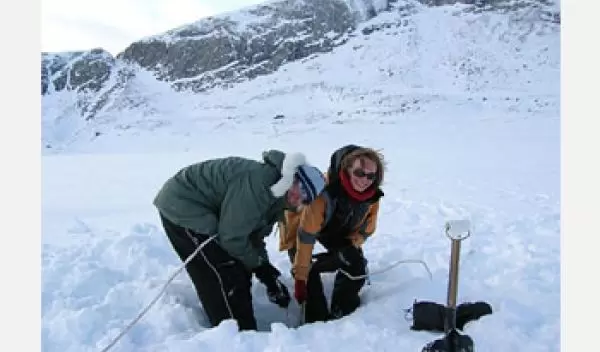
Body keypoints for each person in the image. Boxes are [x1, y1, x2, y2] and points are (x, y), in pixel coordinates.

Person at [153, 149, 327, 330]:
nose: (298, 196)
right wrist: (259, 267)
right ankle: (234, 334)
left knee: (239, 265)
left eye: (306, 196)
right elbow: (232, 237)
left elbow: (252, 236)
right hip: (183, 205)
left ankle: (242, 329)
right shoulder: (261, 184)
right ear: (292, 177)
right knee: (224, 271)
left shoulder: (278, 199)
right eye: (300, 186)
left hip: (207, 213)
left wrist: (266, 272)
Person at [277, 145, 385, 323]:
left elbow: (367, 229)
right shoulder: (323, 194)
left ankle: (341, 313)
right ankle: (315, 321)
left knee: (355, 264)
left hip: (335, 226)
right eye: (359, 173)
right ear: (347, 169)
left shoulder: (371, 195)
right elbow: (306, 236)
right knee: (306, 274)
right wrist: (301, 277)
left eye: (371, 176)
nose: (365, 180)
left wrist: (349, 249)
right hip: (300, 225)